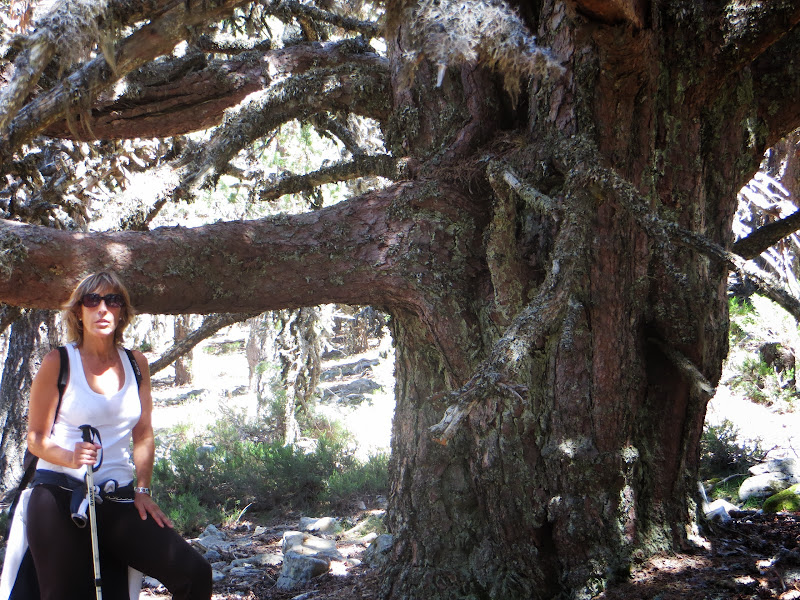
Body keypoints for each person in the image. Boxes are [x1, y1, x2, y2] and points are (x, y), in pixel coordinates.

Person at [25, 271, 212, 599]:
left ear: (122, 311)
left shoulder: (136, 363)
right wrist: (70, 456)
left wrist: (142, 489)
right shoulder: (60, 362)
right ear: (79, 311)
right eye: (92, 300)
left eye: (112, 301)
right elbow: (35, 438)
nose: (102, 309)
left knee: (194, 573)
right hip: (59, 496)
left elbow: (143, 433)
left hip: (119, 497)